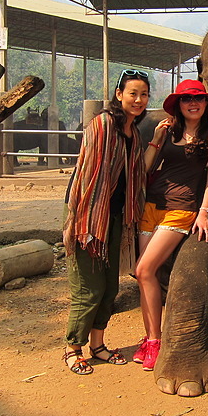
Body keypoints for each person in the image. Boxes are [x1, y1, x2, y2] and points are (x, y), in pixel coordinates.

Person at [62, 68, 151, 375]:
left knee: (110, 287)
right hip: (89, 216)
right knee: (88, 288)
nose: (138, 100)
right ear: (119, 95)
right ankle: (73, 347)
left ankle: (97, 345)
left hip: (114, 218)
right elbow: (88, 176)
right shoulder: (103, 124)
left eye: (143, 95)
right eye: (133, 94)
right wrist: (84, 225)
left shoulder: (134, 132)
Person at [134, 79, 208, 371]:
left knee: (144, 269)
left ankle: (157, 341)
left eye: (197, 99)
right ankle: (149, 337)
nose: (192, 104)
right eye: (186, 99)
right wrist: (156, 140)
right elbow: (147, 167)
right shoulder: (168, 131)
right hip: (152, 206)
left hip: (180, 209)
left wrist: (204, 212)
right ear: (179, 105)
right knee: (146, 274)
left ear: (206, 104)